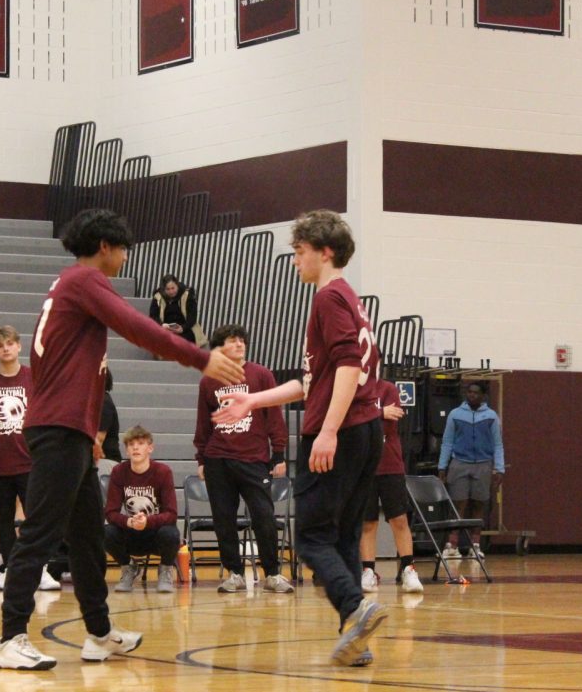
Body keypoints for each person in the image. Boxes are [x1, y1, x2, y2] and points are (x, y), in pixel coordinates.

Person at [0, 208, 245, 671]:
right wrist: (198, 357)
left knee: (87, 539)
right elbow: (137, 326)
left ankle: (99, 634)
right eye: (124, 249)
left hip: (71, 432)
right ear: (106, 247)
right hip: (59, 429)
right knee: (39, 534)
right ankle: (9, 637)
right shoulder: (86, 281)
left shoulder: (68, 285)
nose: (125, 258)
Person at [213, 209, 387, 668]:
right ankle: (356, 640)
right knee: (343, 535)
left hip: (341, 430)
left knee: (310, 538)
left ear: (324, 251)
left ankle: (355, 607)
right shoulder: (350, 298)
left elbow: (348, 367)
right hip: (366, 429)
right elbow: (315, 382)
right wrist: (252, 402)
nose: (295, 261)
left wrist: (328, 430)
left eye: (299, 251)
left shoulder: (328, 298)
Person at [194, 323, 293, 594]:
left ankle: (272, 573)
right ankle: (234, 573)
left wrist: (279, 454)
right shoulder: (209, 380)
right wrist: (201, 459)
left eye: (242, 340)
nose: (239, 344)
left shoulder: (261, 375)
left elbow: (274, 416)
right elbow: (203, 422)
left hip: (253, 459)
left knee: (264, 515)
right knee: (223, 518)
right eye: (232, 340)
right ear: (219, 347)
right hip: (218, 459)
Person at [0, 325, 59, 593]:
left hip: (31, 462)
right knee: (4, 520)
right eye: (0, 345)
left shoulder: (34, 377)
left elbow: (51, 410)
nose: (5, 348)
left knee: (35, 518)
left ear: (19, 346)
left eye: (10, 343)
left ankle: (39, 569)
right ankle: (9, 570)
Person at [360, 378, 424, 594]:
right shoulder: (352, 389)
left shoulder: (388, 389)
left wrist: (369, 415)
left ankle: (408, 568)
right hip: (363, 467)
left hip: (390, 464)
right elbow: (351, 421)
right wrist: (379, 413)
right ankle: (368, 571)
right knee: (367, 522)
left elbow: (391, 419)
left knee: (399, 519)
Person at [105, 426, 181, 593]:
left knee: (171, 533)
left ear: (150, 448)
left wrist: (148, 521)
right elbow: (111, 512)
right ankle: (129, 567)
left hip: (155, 533)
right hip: (131, 532)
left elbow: (171, 513)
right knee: (106, 532)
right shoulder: (118, 472)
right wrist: (129, 522)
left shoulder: (163, 472)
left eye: (140, 443)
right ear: (126, 450)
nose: (136, 448)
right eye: (131, 444)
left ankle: (165, 571)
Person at [437, 381, 504, 560]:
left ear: (483, 396)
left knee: (479, 504)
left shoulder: (491, 416)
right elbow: (447, 441)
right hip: (459, 463)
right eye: (469, 392)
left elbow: (498, 444)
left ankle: (475, 545)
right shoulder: (455, 414)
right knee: (458, 504)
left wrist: (499, 468)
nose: (472, 395)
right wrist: (442, 466)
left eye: (476, 393)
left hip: (483, 464)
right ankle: (452, 545)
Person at [149, 274, 204, 346]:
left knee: (184, 339)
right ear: (163, 289)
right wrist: (161, 325)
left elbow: (192, 317)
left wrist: (182, 328)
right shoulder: (158, 297)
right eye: (168, 289)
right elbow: (153, 316)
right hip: (165, 328)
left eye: (173, 288)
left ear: (177, 286)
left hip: (185, 328)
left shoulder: (187, 295)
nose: (171, 292)